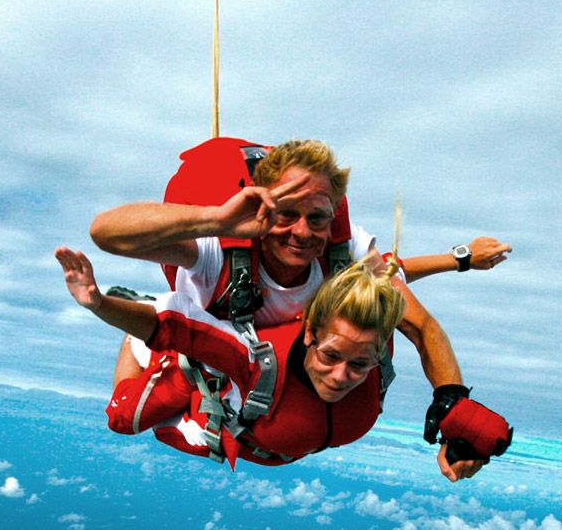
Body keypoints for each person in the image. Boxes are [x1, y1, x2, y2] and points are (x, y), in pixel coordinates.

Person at [89, 139, 510, 481]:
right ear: (260, 206)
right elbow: (107, 235)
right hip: (195, 346)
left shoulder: (345, 255)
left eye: (317, 218)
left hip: (278, 378)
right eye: (285, 214)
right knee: (126, 419)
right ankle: (139, 323)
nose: (302, 232)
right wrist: (216, 220)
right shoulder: (217, 253)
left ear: (333, 218)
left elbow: (408, 313)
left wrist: (451, 401)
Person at [56, 248, 511, 471]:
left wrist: (462, 259)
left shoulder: (371, 328)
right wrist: (99, 303)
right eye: (331, 356)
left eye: (360, 365)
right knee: (123, 418)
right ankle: (138, 339)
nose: (341, 376)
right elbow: (170, 327)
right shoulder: (257, 360)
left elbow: (394, 278)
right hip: (206, 396)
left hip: (281, 445)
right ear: (310, 332)